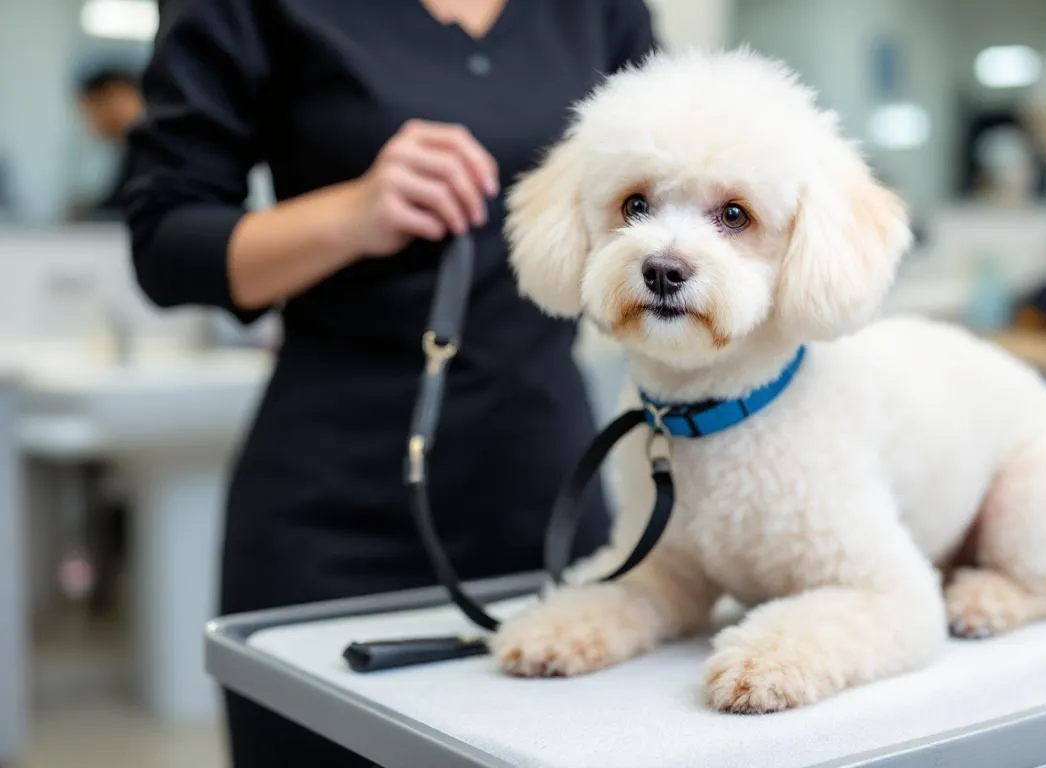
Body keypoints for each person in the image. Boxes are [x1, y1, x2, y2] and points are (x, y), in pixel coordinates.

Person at [122, 1, 657, 765]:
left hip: (546, 499)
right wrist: (352, 214)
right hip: (332, 516)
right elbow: (166, 244)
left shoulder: (600, 12)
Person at [75, 67, 145, 219]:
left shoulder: (152, 152)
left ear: (117, 96)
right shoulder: (131, 151)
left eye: (91, 108)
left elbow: (127, 207)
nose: (89, 120)